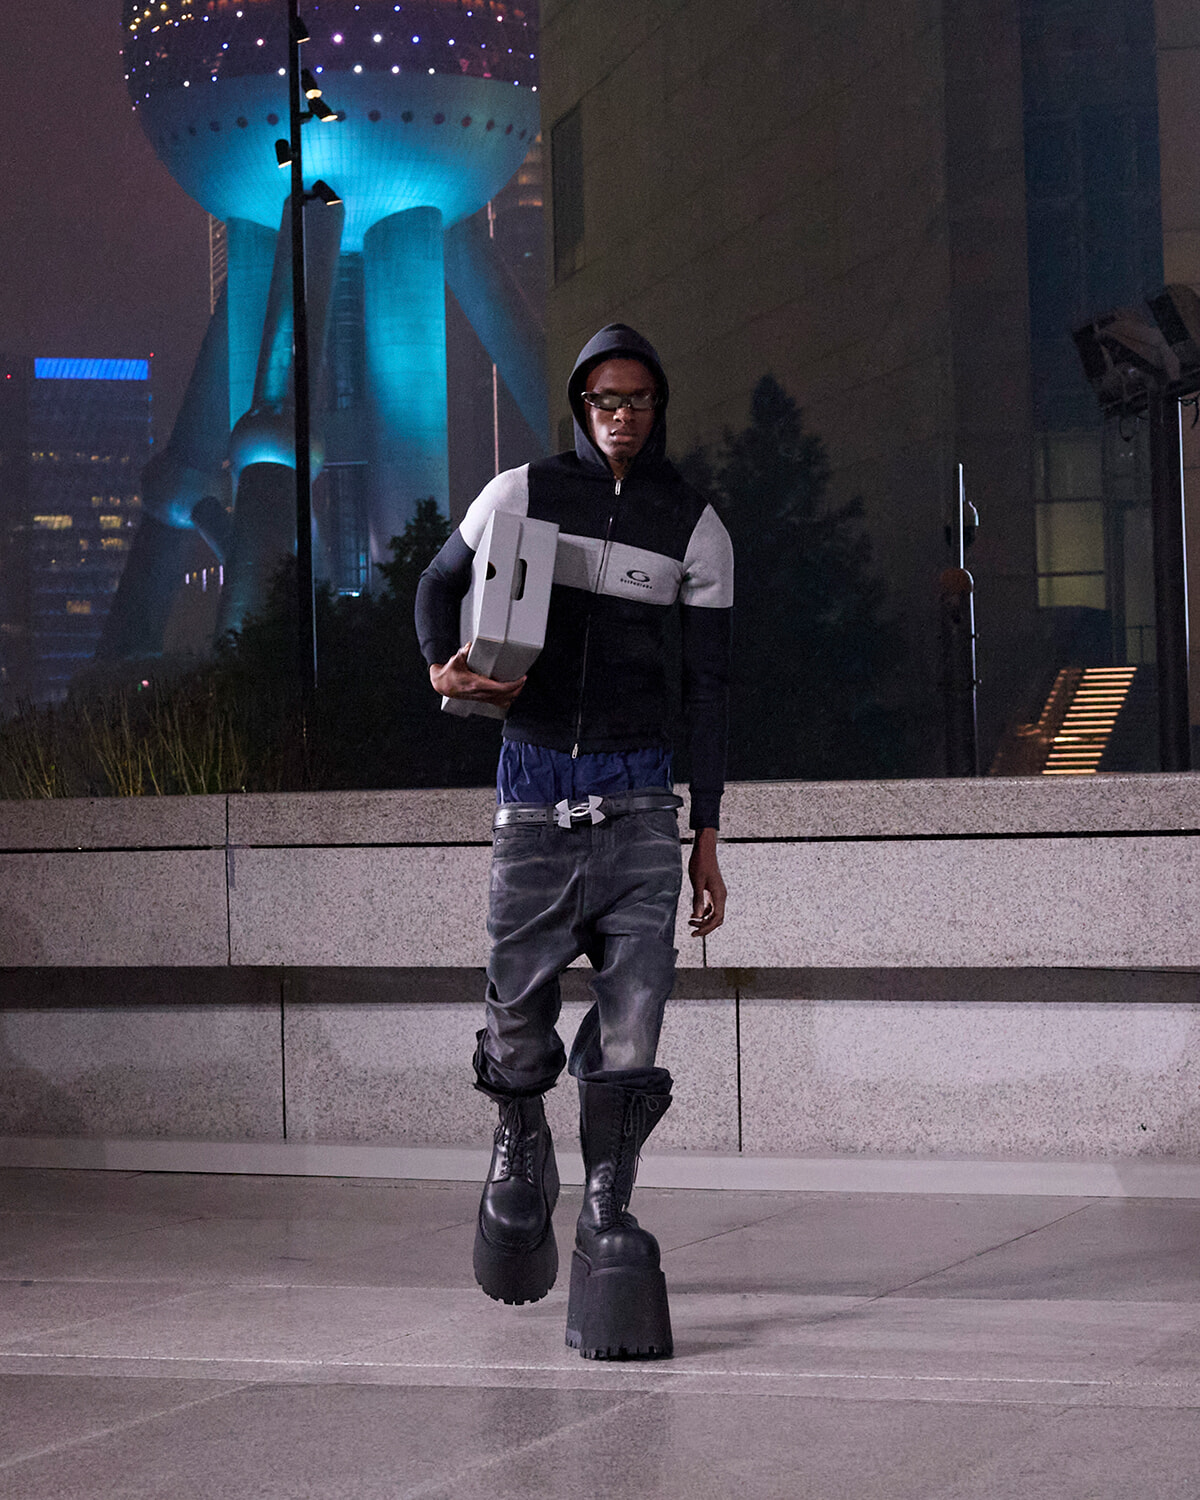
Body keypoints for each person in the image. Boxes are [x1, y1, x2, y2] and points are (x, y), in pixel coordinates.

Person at [415, 324, 733, 1360]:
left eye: (638, 399)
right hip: (535, 792)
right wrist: (442, 666)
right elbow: (434, 586)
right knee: (516, 1022)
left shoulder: (694, 526)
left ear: (658, 405)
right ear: (581, 405)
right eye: (604, 399)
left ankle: (606, 1205)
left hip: (641, 803)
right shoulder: (521, 493)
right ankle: (521, 1140)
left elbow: (710, 689)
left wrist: (707, 831)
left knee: (633, 1029)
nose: (621, 415)